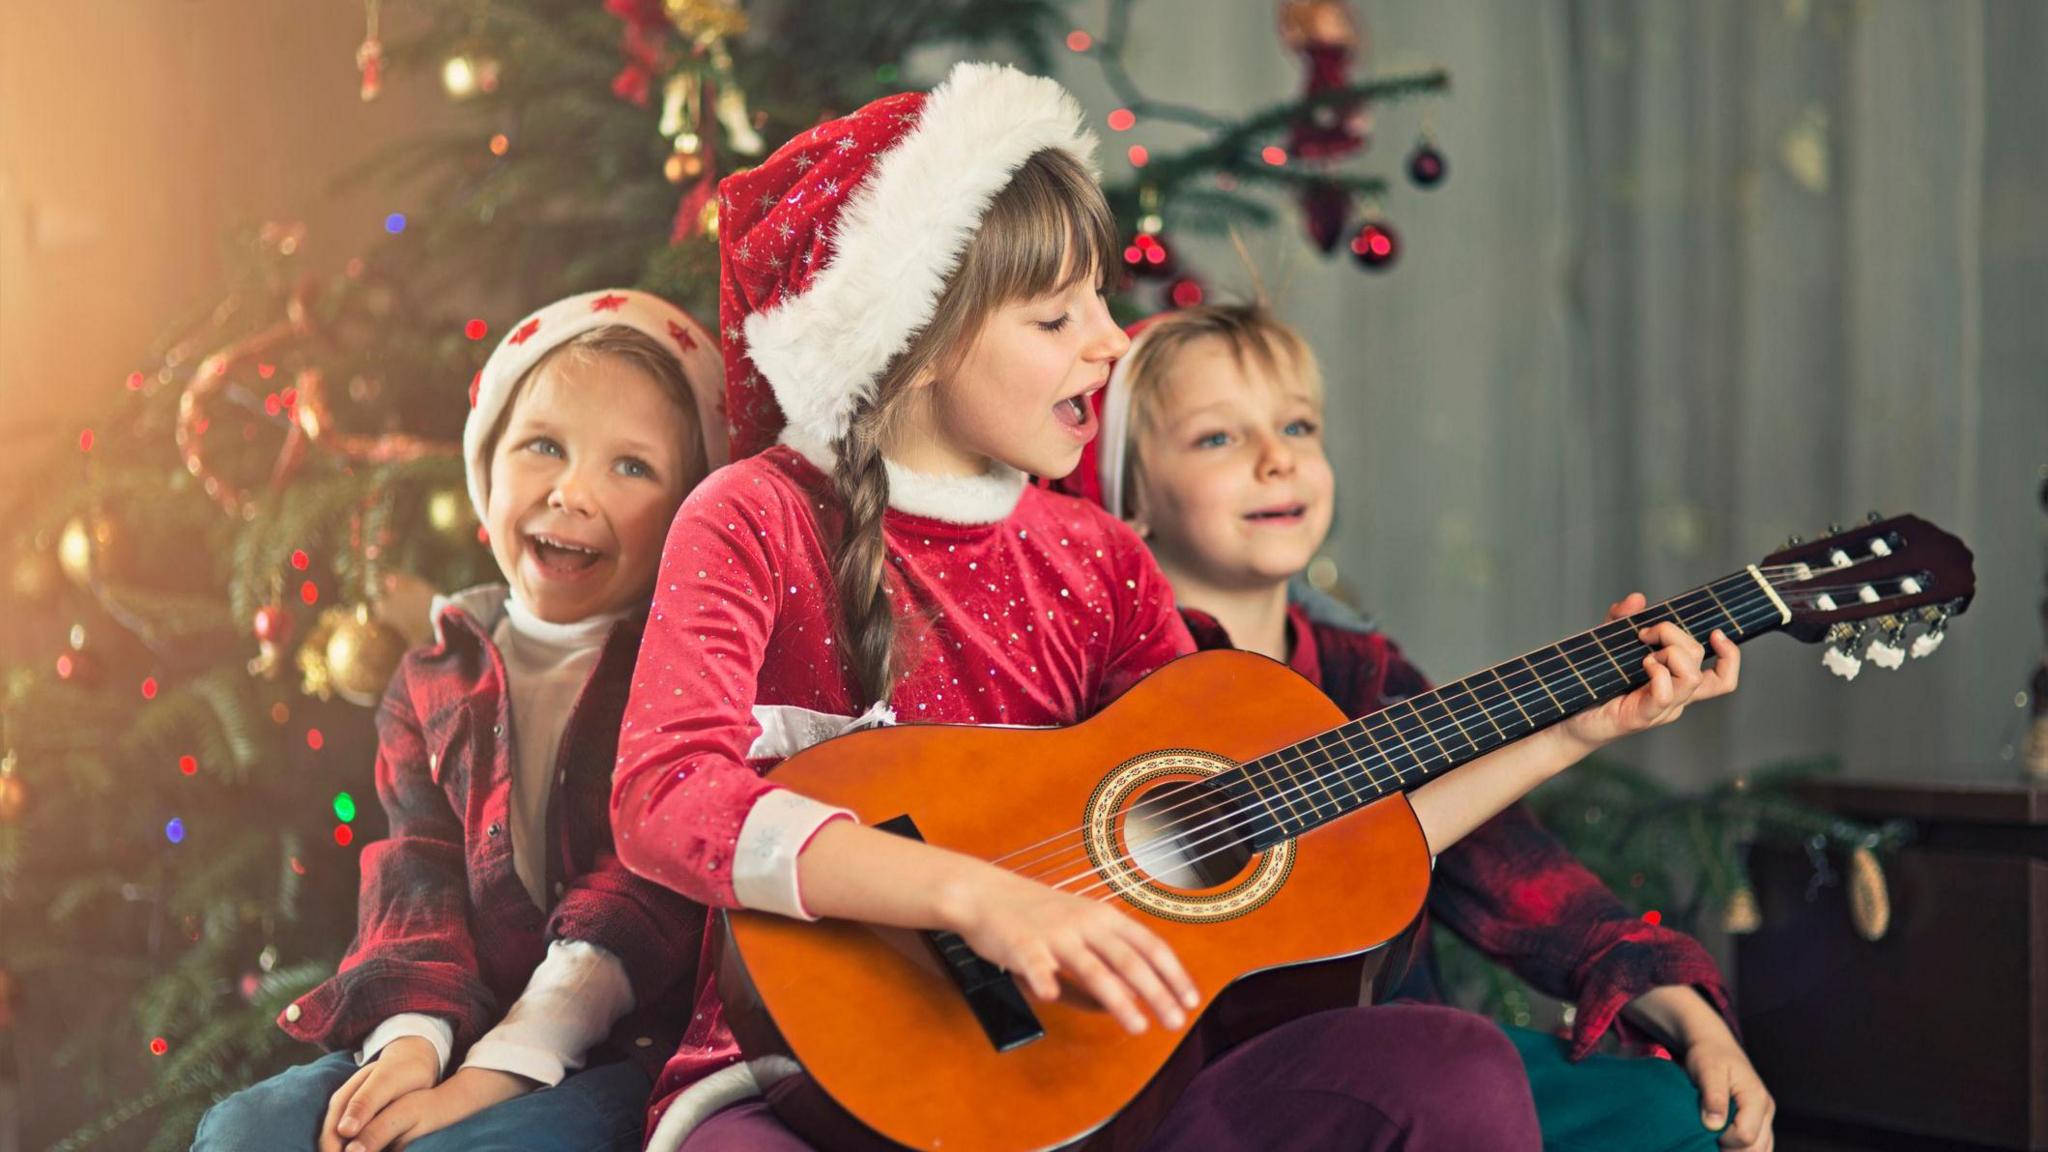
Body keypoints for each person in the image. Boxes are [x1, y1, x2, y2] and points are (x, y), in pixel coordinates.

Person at [612, 62, 1725, 1152]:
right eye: (1055, 317)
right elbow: (667, 792)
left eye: (1099, 297)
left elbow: (1292, 850)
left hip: (1112, 1088)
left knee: (1451, 1066)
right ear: (910, 343)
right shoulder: (754, 516)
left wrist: (1572, 729)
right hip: (816, 1084)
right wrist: (974, 899)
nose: (1107, 338)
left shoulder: (1099, 560)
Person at [1067, 300, 1772, 1152]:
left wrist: (1692, 1018)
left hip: (1397, 1026)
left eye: (1298, 426)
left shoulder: (1365, 672)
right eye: (1218, 438)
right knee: (1452, 1069)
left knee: (1675, 1114)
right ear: (1127, 497)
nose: (1276, 459)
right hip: (1211, 1067)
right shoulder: (1118, 673)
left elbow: (1513, 869)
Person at [194, 289, 724, 1152]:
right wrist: (410, 1043)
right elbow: (417, 872)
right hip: (454, 1017)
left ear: (685, 515)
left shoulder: (681, 670)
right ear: (487, 476)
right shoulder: (433, 677)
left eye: (632, 467)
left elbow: (644, 891)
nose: (573, 491)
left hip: (622, 1050)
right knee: (252, 1131)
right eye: (544, 447)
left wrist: (493, 1075)